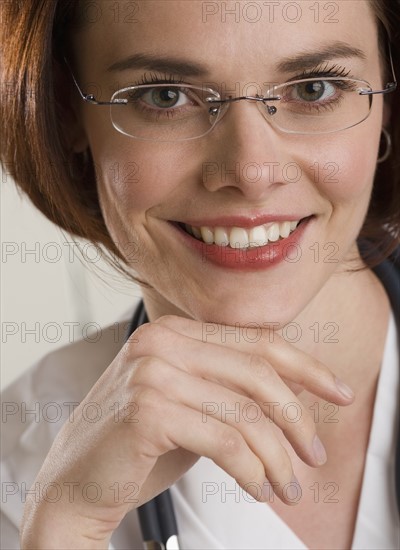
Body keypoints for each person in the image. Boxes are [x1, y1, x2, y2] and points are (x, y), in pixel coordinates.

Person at [1, 0, 399, 548]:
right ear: (67, 115)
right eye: (164, 96)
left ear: (388, 104)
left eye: (313, 89)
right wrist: (64, 531)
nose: (250, 172)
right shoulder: (16, 467)